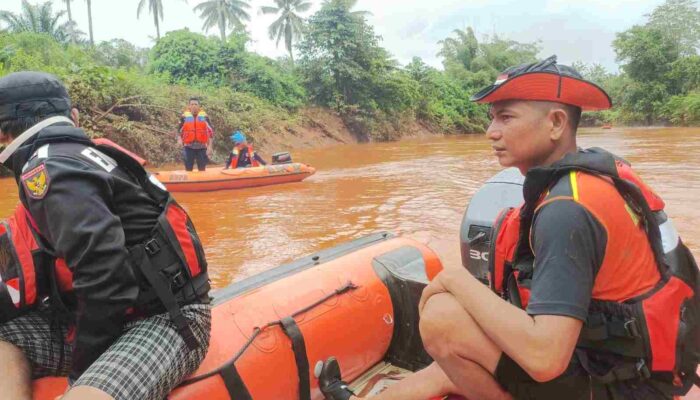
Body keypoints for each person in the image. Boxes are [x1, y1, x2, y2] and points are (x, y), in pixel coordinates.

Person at [317, 56, 698, 400]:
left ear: (555, 123)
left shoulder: (567, 210)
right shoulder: (584, 185)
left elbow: (545, 357)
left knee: (444, 318)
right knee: (447, 368)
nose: (491, 131)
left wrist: (454, 280)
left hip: (624, 386)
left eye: (506, 117)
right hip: (623, 366)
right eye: (492, 118)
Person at [0, 71, 212, 400]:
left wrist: (79, 375)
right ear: (73, 117)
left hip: (163, 320)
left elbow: (107, 280)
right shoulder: (74, 156)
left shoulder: (51, 169)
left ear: (3, 131)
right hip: (109, 316)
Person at [178, 97, 213, 172]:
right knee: (188, 169)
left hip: (202, 147)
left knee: (202, 169)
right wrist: (179, 140)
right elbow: (179, 130)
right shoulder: (184, 117)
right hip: (188, 147)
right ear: (189, 106)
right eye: (192, 104)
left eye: (196, 104)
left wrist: (210, 147)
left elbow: (210, 133)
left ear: (199, 106)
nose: (194, 106)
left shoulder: (204, 117)